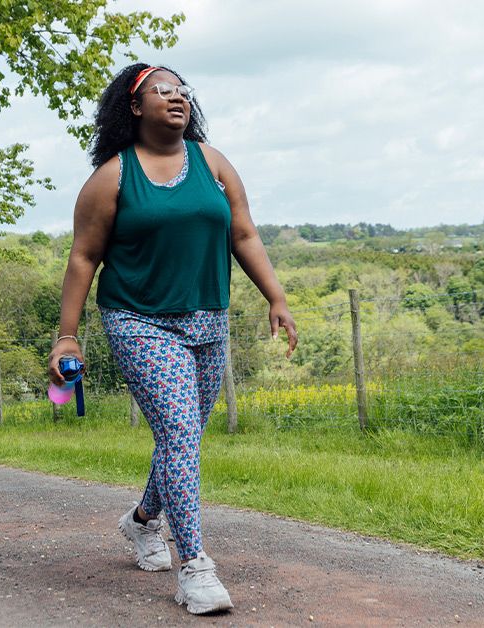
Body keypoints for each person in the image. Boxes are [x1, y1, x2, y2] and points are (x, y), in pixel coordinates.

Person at [48, 63, 297, 615]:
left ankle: (140, 523)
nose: (176, 97)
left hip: (209, 319)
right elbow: (83, 258)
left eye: (182, 90)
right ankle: (195, 567)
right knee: (181, 432)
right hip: (139, 320)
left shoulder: (212, 163)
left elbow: (243, 233)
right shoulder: (111, 179)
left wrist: (275, 296)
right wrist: (67, 338)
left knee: (181, 438)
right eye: (162, 90)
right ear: (134, 108)